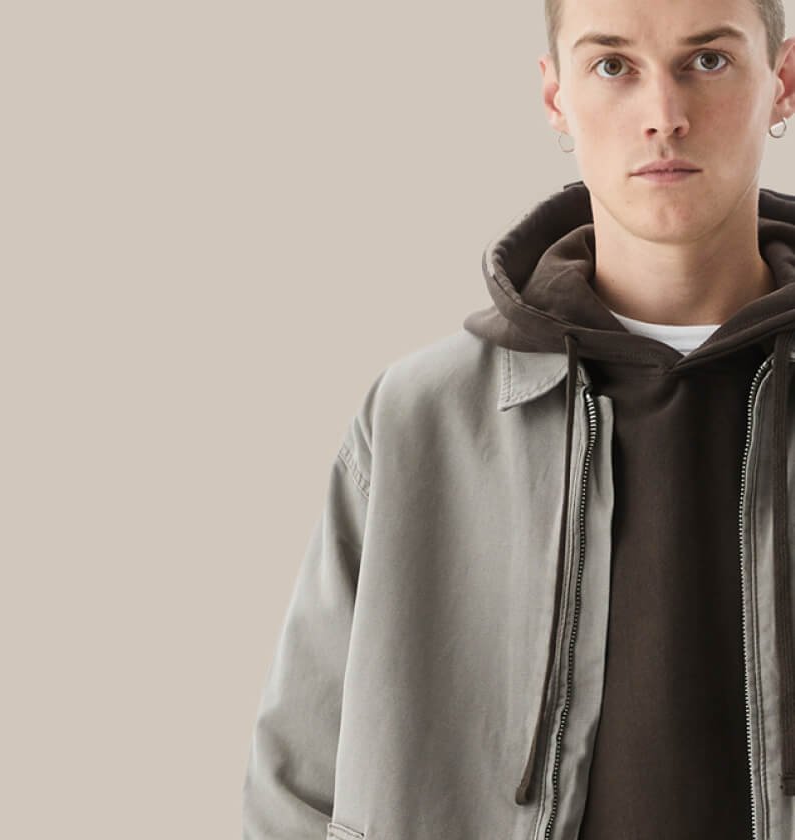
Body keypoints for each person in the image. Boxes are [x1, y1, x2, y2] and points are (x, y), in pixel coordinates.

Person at [240, 0, 795, 837]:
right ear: (555, 96)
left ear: (782, 82)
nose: (664, 115)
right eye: (613, 66)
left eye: (707, 61)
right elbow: (295, 790)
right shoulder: (418, 422)